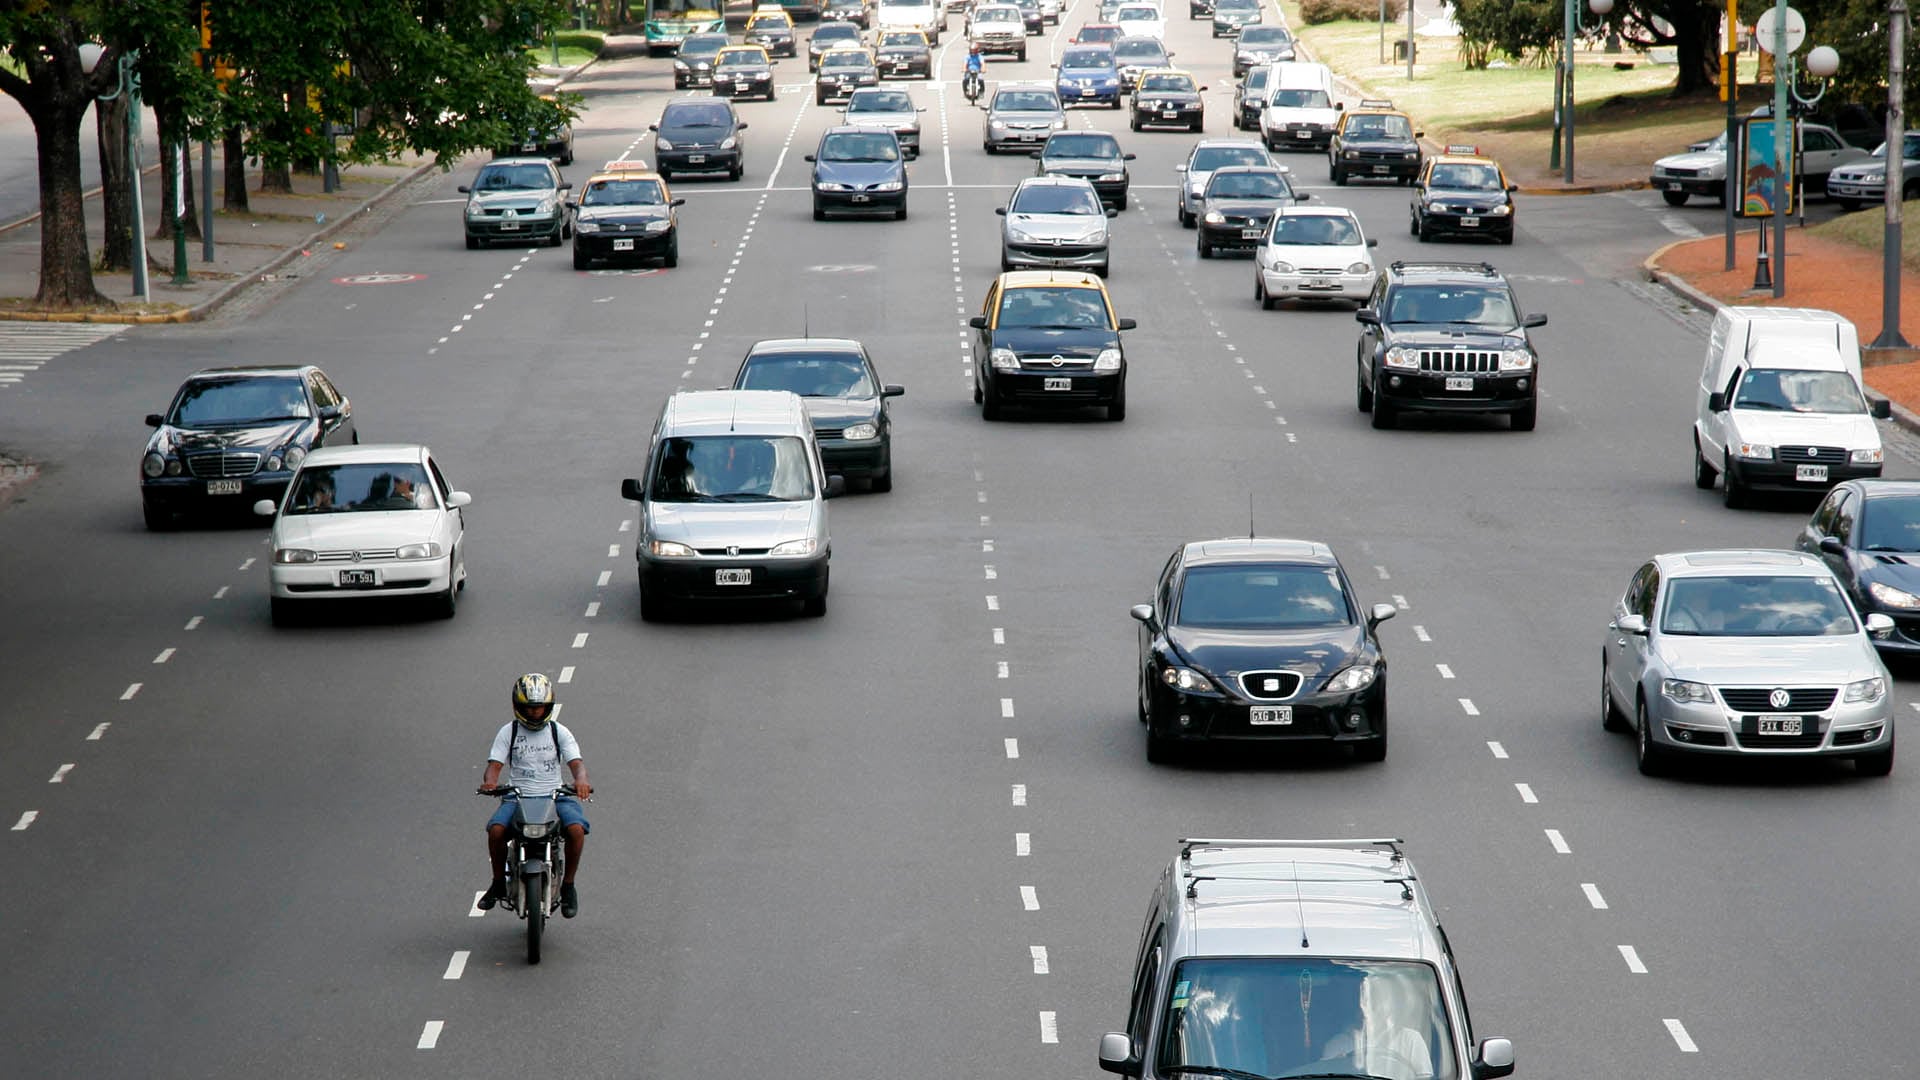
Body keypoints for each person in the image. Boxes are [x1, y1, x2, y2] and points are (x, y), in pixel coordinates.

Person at [478, 673, 594, 918]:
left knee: (576, 830)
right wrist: (490, 782)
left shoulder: (558, 731)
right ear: (517, 707)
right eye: (529, 709)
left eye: (539, 708)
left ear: (548, 707)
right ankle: (498, 882)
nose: (534, 713)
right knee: (496, 831)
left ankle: (569, 886)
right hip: (517, 797)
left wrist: (581, 781)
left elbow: (576, 763)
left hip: (555, 796)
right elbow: (495, 765)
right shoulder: (507, 732)